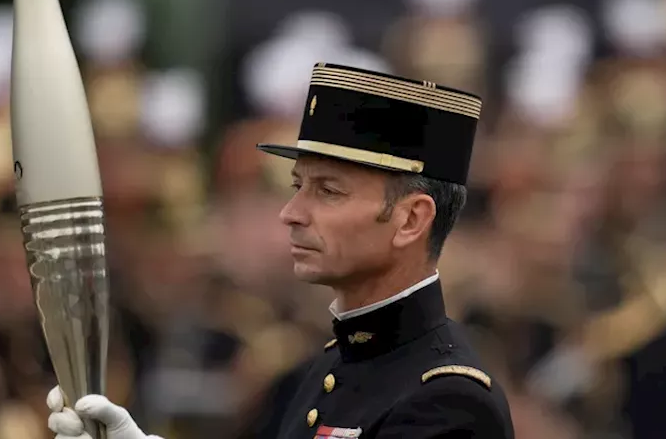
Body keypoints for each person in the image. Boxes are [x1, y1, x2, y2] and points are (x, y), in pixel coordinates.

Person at [47, 62, 514, 438]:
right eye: (297, 186)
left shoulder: (448, 401)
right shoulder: (330, 366)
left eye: (328, 191)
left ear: (411, 219)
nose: (291, 212)